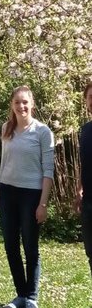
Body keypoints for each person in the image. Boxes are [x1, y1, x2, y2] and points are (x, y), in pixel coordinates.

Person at [0, 86, 54, 308]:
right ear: (11, 105)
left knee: (30, 247)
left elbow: (48, 170)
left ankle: (31, 297)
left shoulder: (42, 131)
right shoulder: (6, 129)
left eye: (25, 102)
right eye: (17, 102)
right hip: (8, 194)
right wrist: (0, 190)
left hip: (31, 195)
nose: (21, 106)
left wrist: (43, 203)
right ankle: (20, 295)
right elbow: (4, 162)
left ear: (32, 104)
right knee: (11, 246)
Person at [77, 82, 92, 277]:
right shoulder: (86, 130)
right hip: (89, 202)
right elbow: (85, 163)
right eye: (91, 97)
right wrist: (79, 189)